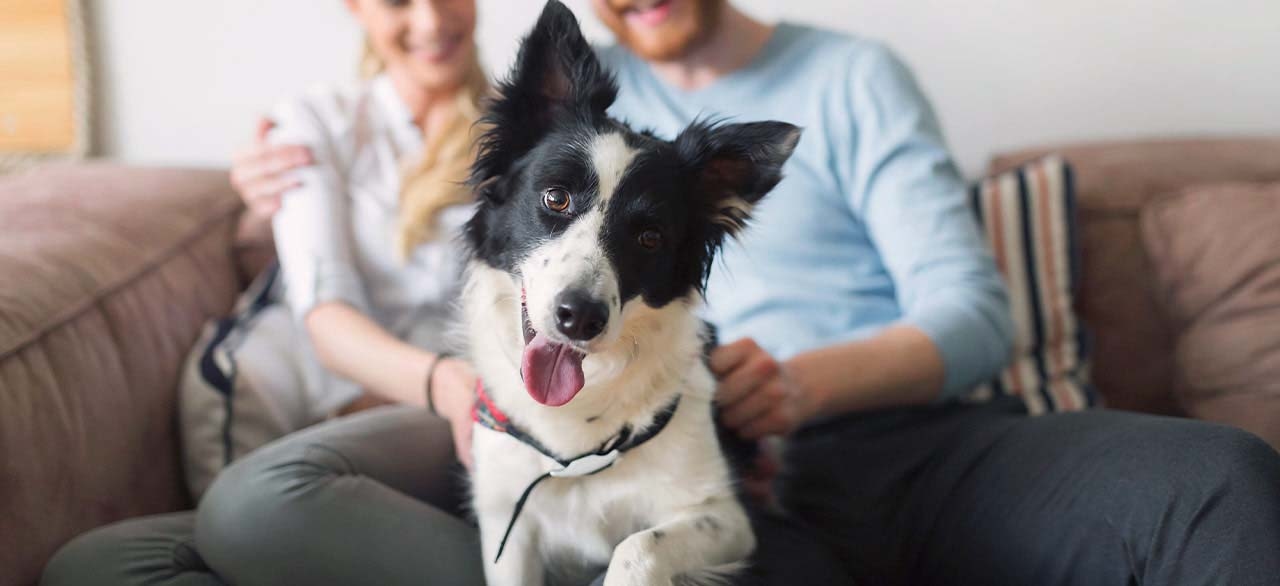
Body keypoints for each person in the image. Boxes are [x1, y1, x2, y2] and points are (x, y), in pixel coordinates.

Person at [44, 0, 1280, 585]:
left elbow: (973, 311)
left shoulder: (846, 78)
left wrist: (802, 382)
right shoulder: (574, 105)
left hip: (913, 443)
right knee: (117, 565)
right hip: (691, 479)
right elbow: (443, 175)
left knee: (1219, 477)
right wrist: (267, 190)